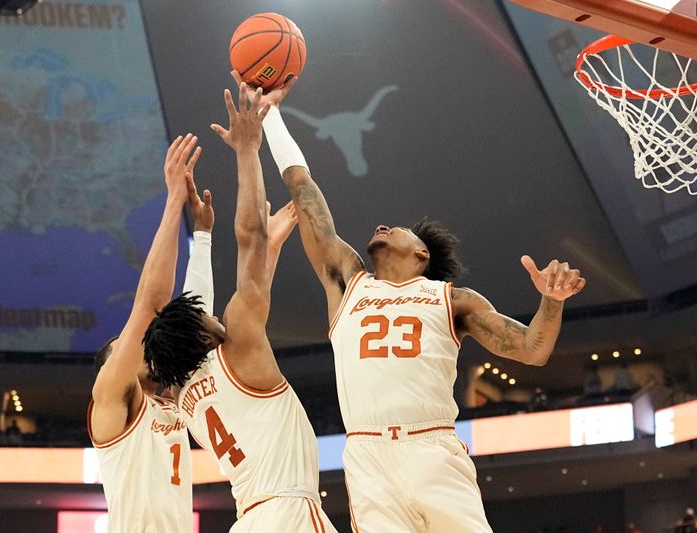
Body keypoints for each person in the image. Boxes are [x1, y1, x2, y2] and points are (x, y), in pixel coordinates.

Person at [251, 72, 586, 532]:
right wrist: (271, 115)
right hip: (368, 457)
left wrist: (551, 301)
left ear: (421, 255)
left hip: (432, 448)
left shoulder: (452, 300)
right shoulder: (349, 283)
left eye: (399, 229)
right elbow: (304, 190)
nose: (384, 225)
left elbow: (532, 349)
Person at [149, 84, 337, 532]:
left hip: (250, 518)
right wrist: (248, 151)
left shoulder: (183, 397)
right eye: (204, 315)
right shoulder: (237, 350)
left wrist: (266, 250)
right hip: (288, 514)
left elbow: (251, 268)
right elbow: (249, 237)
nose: (212, 313)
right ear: (201, 335)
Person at [87, 133, 210, 533]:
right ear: (112, 365)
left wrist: (204, 237)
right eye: (125, 345)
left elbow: (190, 323)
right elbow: (151, 304)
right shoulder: (112, 395)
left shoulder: (168, 399)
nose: (140, 343)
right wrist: (174, 200)